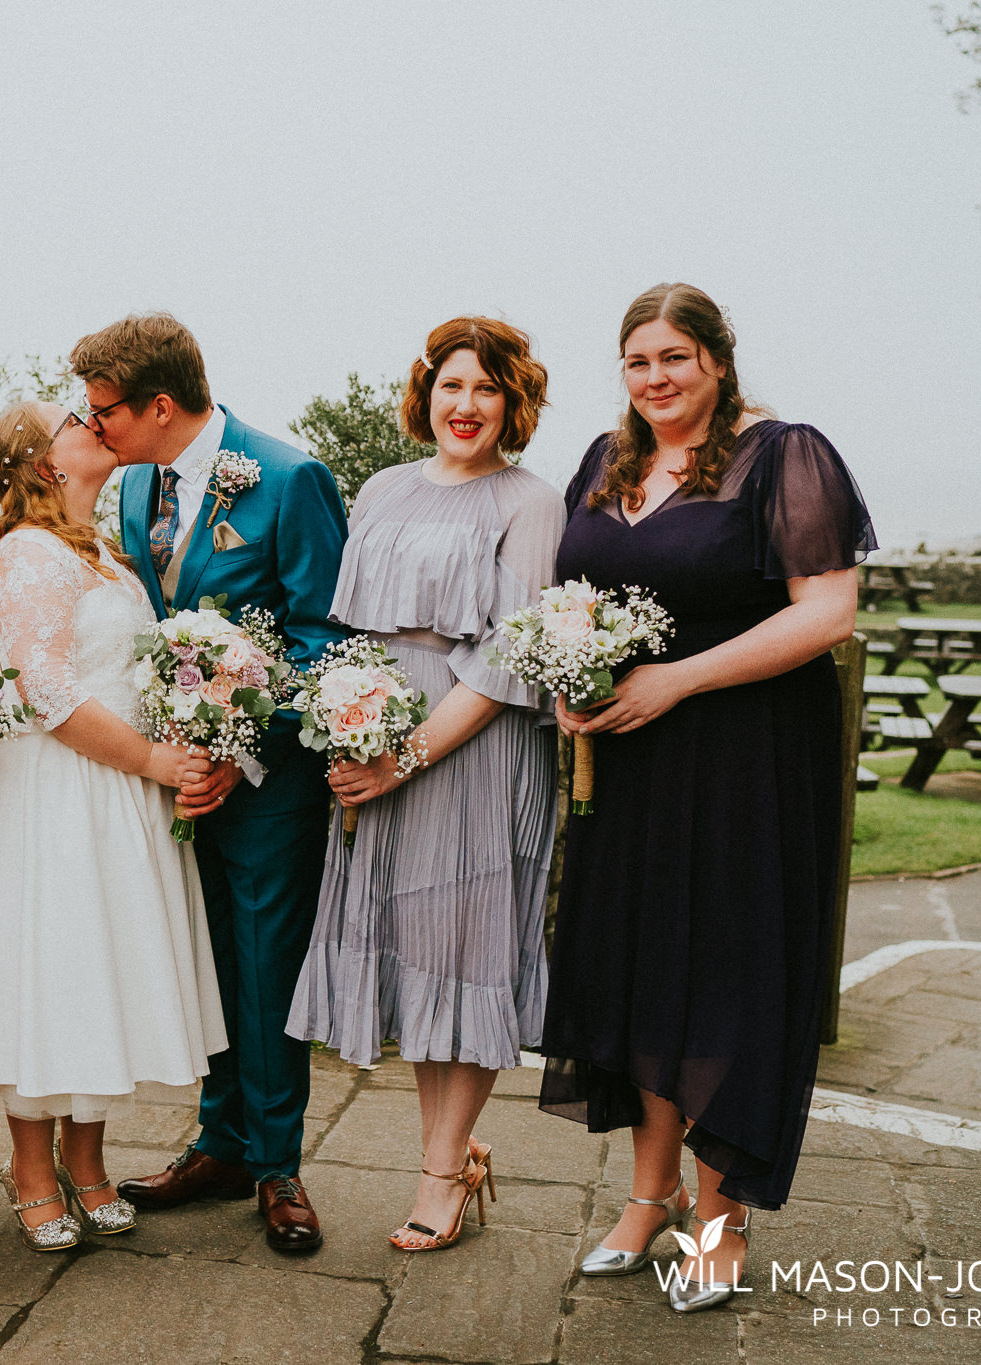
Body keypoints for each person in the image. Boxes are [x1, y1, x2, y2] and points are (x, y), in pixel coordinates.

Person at [538, 283, 873, 1313]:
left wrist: (673, 680)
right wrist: (568, 679)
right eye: (636, 362)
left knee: (725, 976)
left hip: (745, 760)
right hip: (629, 766)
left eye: (674, 358)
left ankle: (718, 1225)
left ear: (716, 362)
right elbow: (574, 599)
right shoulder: (604, 462)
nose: (654, 379)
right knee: (639, 969)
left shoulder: (785, 456)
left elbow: (826, 613)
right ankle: (647, 1199)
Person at [287, 317, 564, 1252]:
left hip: (470, 748)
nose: (466, 406)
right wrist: (345, 717)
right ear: (426, 391)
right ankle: (451, 1150)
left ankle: (441, 1174)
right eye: (452, 385)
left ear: (512, 403)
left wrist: (399, 758)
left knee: (466, 954)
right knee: (418, 959)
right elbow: (354, 630)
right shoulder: (380, 487)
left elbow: (508, 661)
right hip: (374, 737)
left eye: (487, 389)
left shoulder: (531, 502)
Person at [77, 313, 349, 1253]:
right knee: (204, 960)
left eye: (104, 408)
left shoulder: (289, 477)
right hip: (174, 778)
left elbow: (323, 640)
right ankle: (221, 1140)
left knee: (266, 965)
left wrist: (242, 746)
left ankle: (277, 1166)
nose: (92, 423)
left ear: (159, 404)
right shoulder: (128, 489)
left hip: (267, 783)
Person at [0, 400, 228, 1252]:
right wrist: (153, 762)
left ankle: (89, 1164)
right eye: (75, 418)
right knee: (52, 970)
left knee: (101, 973)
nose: (94, 422)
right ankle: (32, 1172)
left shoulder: (108, 555)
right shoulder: (28, 553)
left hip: (115, 789)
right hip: (56, 790)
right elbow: (43, 690)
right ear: (45, 462)